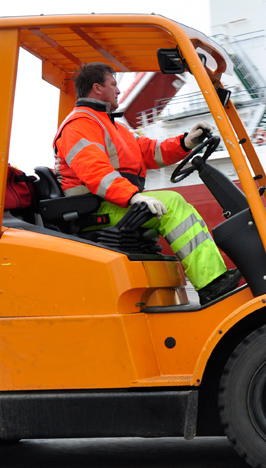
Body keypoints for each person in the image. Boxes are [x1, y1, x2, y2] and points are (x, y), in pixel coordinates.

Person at [53, 62, 241, 305]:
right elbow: (95, 172)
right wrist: (134, 197)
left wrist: (186, 142)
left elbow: (150, 151)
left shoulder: (113, 126)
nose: (118, 90)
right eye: (113, 84)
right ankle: (212, 284)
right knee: (172, 203)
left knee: (169, 202)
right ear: (97, 88)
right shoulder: (79, 124)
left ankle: (211, 278)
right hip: (96, 208)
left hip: (114, 203)